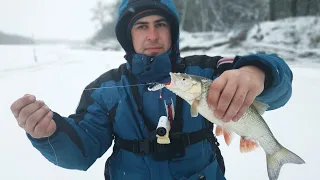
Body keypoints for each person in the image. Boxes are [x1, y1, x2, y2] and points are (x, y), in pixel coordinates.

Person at [10, 0, 293, 179]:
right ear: (127, 35)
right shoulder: (104, 88)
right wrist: (49, 135)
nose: (153, 35)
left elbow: (279, 85)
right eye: (141, 26)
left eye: (160, 24)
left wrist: (258, 73)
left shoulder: (206, 70)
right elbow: (81, 153)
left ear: (173, 32)